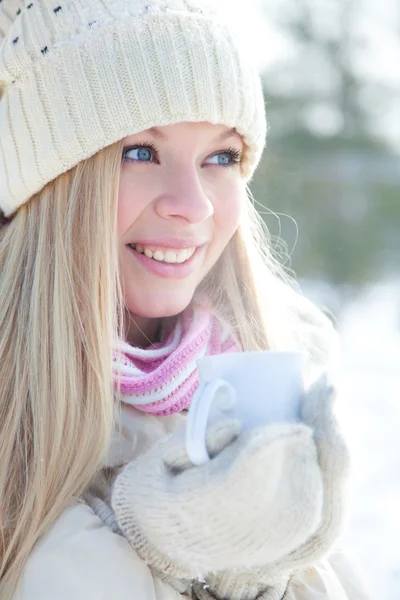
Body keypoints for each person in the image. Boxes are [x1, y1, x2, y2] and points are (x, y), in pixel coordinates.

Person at [0, 1, 370, 598]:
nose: (193, 205)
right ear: (51, 181)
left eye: (220, 158)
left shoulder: (267, 365)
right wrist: (146, 541)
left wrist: (258, 565)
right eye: (140, 152)